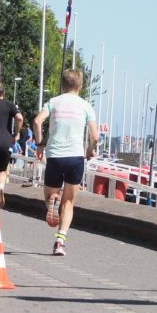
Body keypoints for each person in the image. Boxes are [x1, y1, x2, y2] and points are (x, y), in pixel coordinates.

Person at [33, 69, 98, 256]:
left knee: (49, 196)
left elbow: (37, 122)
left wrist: (39, 144)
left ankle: (53, 202)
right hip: (75, 157)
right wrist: (90, 149)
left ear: (62, 84)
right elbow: (95, 136)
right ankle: (60, 242)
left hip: (55, 156)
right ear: (80, 85)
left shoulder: (53, 102)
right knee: (69, 202)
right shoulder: (86, 106)